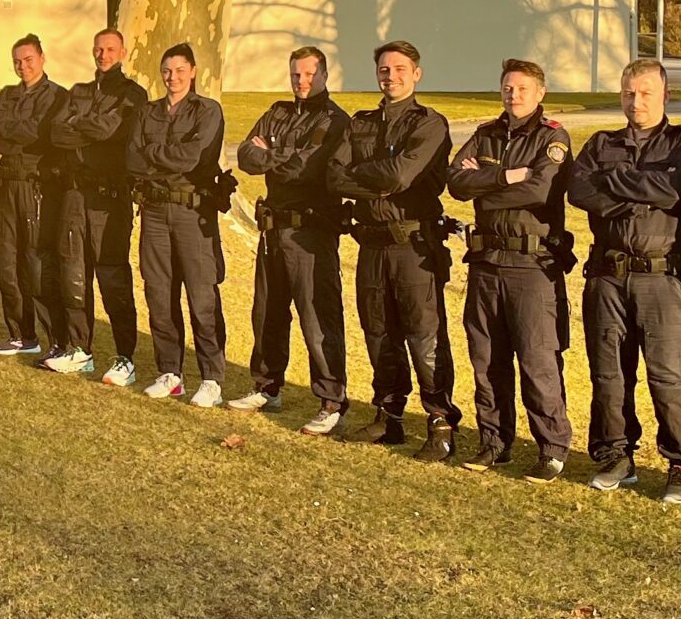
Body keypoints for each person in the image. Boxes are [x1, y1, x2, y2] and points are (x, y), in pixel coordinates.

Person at [566, 59, 681, 502]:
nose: (637, 101)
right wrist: (630, 197)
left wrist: (614, 182)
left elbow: (672, 191)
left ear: (666, 95)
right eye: (630, 93)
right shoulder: (601, 142)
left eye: (647, 93)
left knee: (671, 375)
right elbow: (579, 190)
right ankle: (615, 455)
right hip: (608, 276)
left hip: (663, 276)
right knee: (609, 373)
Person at [447, 59, 576, 477]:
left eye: (522, 88)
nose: (513, 95)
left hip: (531, 265)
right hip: (486, 264)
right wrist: (507, 176)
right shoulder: (485, 134)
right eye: (507, 87)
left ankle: (552, 448)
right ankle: (493, 442)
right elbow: (455, 184)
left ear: (540, 94)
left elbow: (540, 189)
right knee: (486, 359)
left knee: (538, 360)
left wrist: (486, 181)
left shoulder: (553, 138)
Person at [337, 40, 459, 459]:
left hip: (414, 246)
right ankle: (389, 416)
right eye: (385, 69)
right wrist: (377, 179)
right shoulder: (361, 123)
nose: (392, 76)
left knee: (424, 335)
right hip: (371, 244)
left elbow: (402, 175)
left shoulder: (429, 124)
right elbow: (334, 177)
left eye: (401, 69)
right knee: (378, 332)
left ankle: (440, 422)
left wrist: (370, 177)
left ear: (417, 73)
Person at [230, 45, 349, 430]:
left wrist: (274, 152)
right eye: (296, 75)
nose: (302, 81)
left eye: (310, 75)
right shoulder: (277, 112)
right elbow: (247, 156)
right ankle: (267, 387)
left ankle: (331, 401)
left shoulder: (334, 121)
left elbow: (307, 168)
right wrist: (277, 153)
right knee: (267, 313)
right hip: (272, 228)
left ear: (325, 75)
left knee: (317, 317)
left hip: (310, 231)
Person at [45, 29, 150, 383]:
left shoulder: (133, 94)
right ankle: (80, 350)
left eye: (110, 49)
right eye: (98, 49)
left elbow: (112, 130)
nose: (103, 55)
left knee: (112, 277)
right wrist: (84, 127)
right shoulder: (79, 92)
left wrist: (80, 125)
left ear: (123, 51)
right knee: (73, 272)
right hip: (75, 195)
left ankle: (125, 357)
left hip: (110, 199)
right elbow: (56, 133)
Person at [127, 42, 228, 406]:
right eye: (167, 70)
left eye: (180, 70)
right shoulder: (148, 111)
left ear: (193, 71)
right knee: (159, 294)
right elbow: (132, 160)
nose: (173, 77)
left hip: (191, 213)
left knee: (202, 297)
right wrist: (162, 159)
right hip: (154, 214)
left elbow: (194, 159)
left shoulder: (208, 111)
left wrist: (153, 155)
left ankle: (212, 378)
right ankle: (170, 372)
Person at [0, 33, 66, 357]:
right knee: (6, 260)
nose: (23, 66)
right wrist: (20, 132)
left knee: (37, 264)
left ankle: (57, 340)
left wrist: (13, 131)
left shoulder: (56, 97)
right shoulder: (7, 94)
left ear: (42, 58)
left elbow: (41, 134)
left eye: (29, 59)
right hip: (7, 187)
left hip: (36, 188)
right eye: (17, 61)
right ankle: (22, 334)